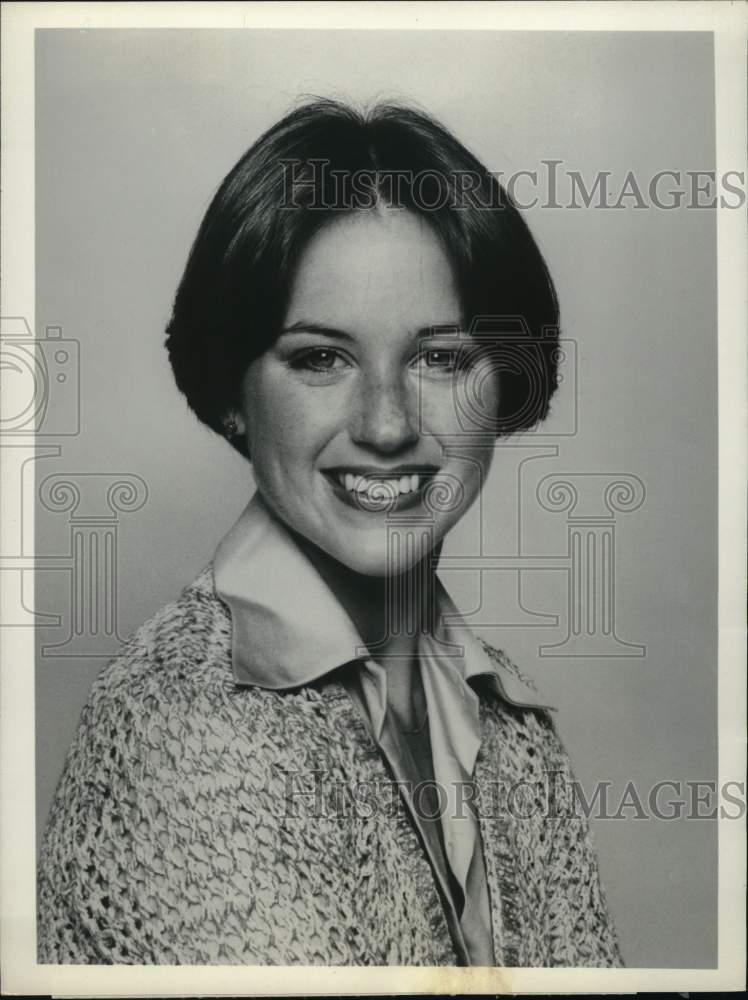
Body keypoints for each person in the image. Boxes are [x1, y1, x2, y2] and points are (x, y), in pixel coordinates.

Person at [37, 99, 623, 967]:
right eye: (320, 357)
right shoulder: (187, 732)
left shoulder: (512, 729)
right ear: (233, 392)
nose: (385, 424)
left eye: (441, 358)